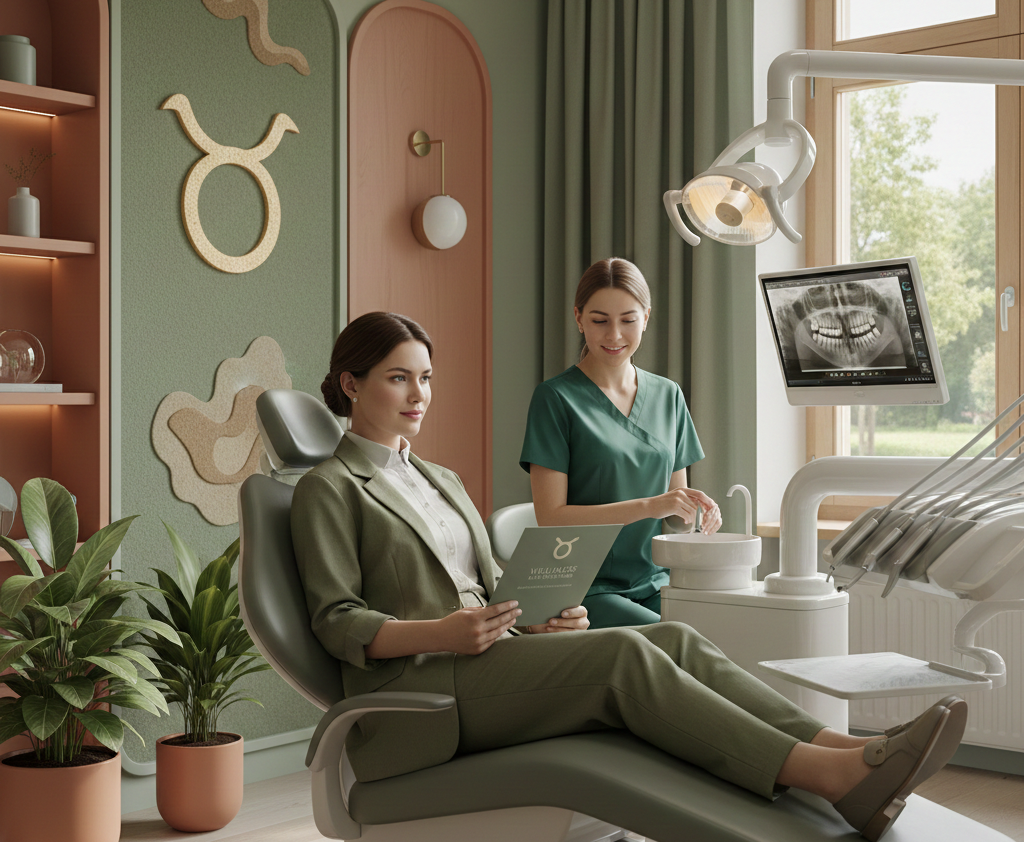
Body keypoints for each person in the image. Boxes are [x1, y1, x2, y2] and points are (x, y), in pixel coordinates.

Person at [290, 311, 968, 842]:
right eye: (398, 377)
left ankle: (843, 747)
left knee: (671, 640)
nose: (419, 394)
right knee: (622, 655)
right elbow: (336, 620)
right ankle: (828, 776)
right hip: (422, 690)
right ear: (352, 384)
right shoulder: (329, 488)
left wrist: (539, 614)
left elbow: (493, 582)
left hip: (490, 657)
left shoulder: (437, 477)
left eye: (427, 377)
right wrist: (441, 630)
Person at [521, 257, 723, 628]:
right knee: (676, 642)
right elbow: (552, 518)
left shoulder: (668, 395)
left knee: (721, 630)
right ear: (579, 318)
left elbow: (675, 513)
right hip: (585, 589)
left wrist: (696, 512)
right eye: (600, 321)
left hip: (656, 581)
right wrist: (650, 505)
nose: (614, 335)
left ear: (646, 317)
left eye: (628, 320)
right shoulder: (555, 399)